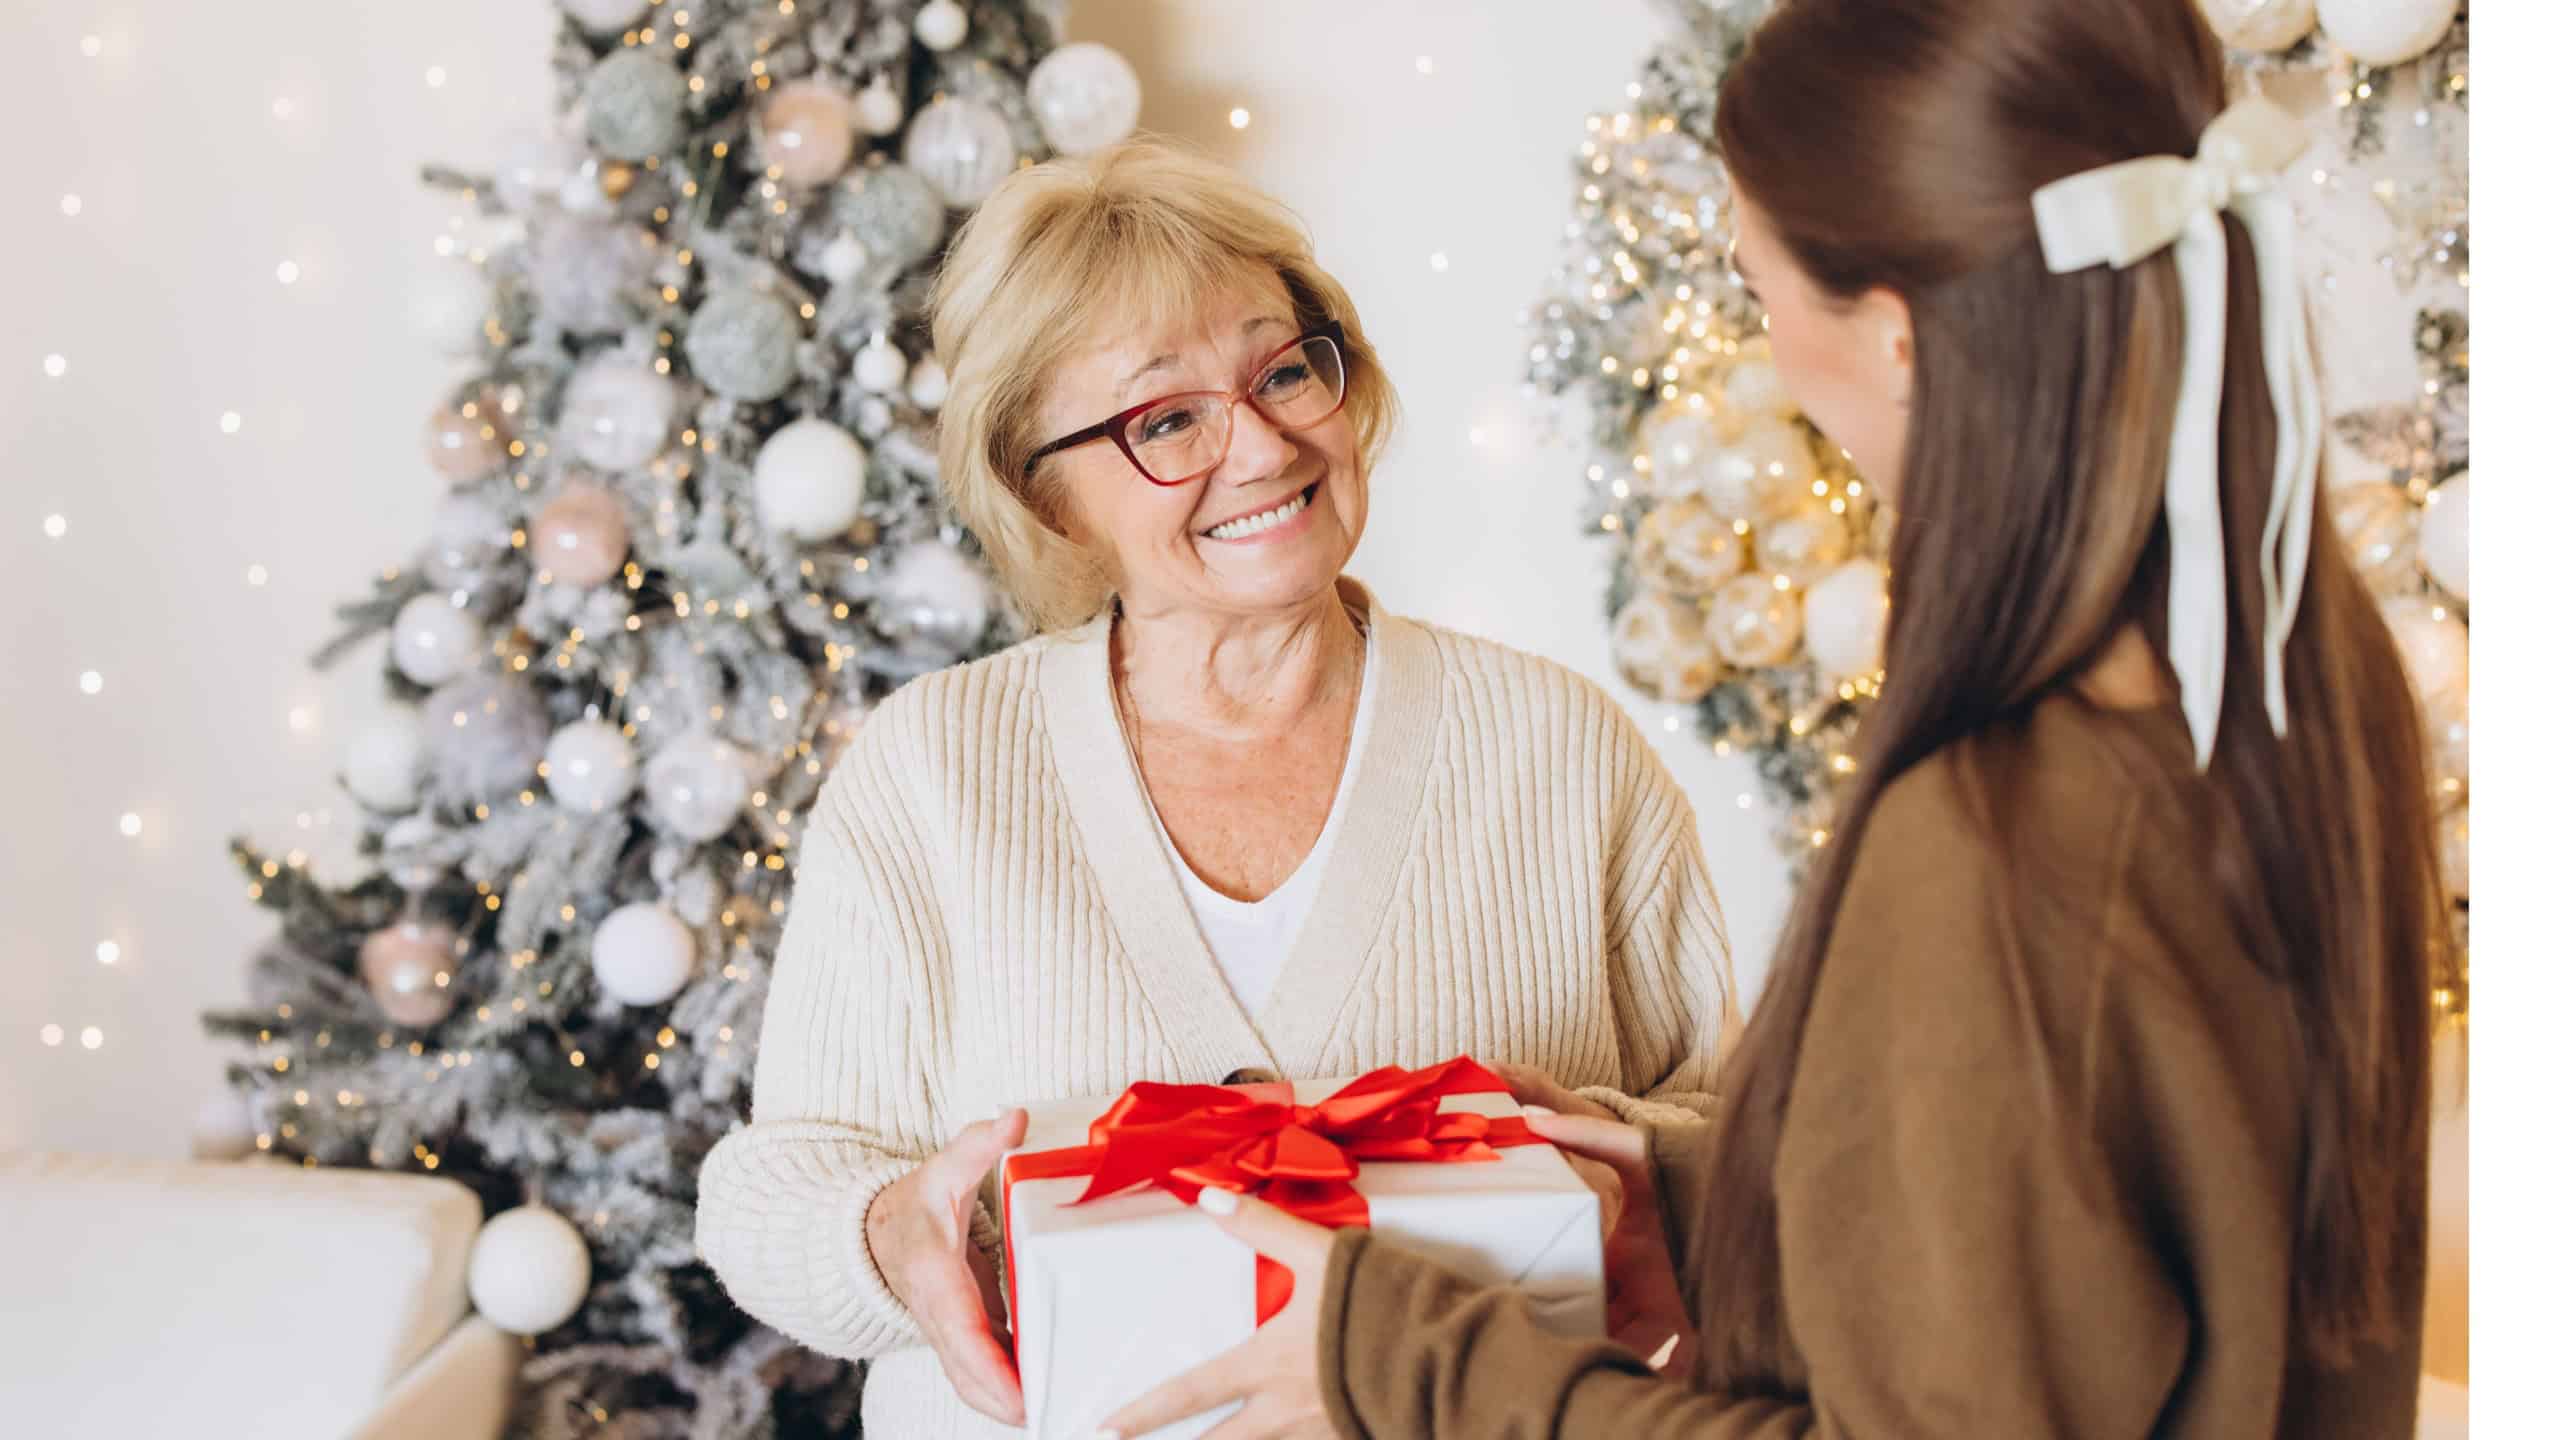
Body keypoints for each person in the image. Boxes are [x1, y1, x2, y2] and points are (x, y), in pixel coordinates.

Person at [1101, 2, 2441, 1436]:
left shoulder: (1996, 836)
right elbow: (2093, 1225)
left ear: (1900, 335)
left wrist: (1409, 1359)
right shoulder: (2300, 673)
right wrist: (1721, 1205)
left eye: (1761, 288)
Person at [692, 136, 1737, 1438]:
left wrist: (1575, 1163)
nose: (1259, 445)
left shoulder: (1561, 747)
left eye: (1283, 369)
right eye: (1165, 417)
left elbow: (1735, 1152)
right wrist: (892, 1233)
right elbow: (766, 1191)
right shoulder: (933, 773)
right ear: (1051, 497)